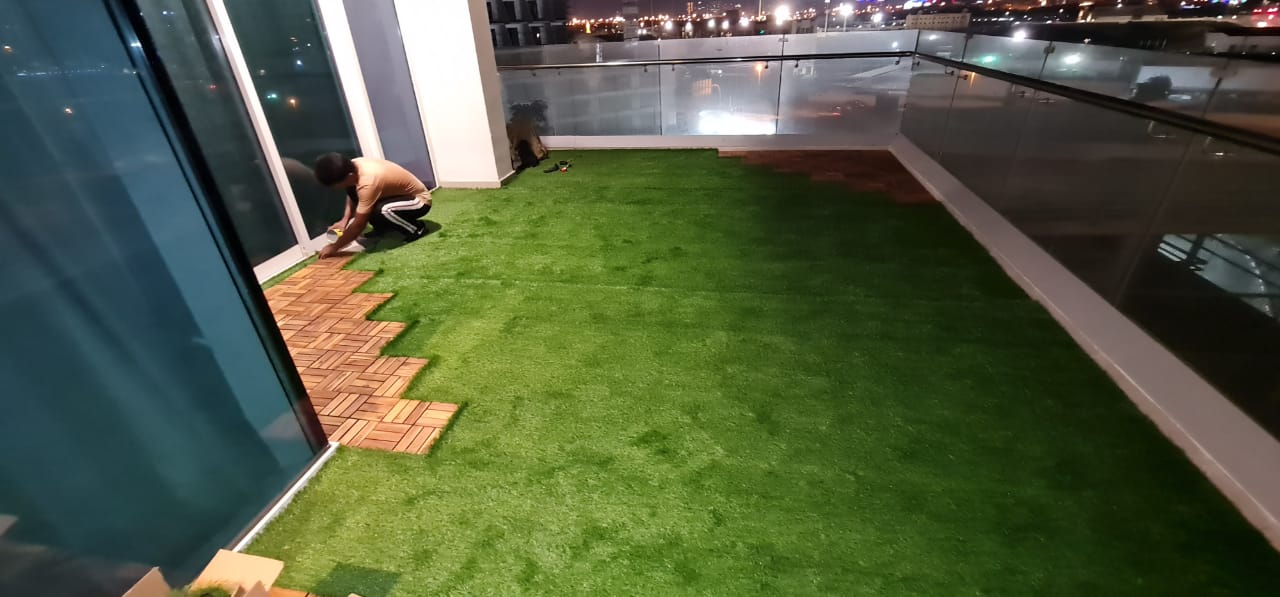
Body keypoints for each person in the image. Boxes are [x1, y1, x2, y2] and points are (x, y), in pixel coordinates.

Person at [312, 153, 431, 258]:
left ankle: (416, 229)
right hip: (396, 197)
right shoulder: (352, 166)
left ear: (349, 176)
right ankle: (383, 228)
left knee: (383, 210)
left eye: (335, 185)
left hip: (419, 201)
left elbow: (359, 225)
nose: (335, 188)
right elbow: (353, 195)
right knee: (365, 203)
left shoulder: (368, 182)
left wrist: (334, 247)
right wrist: (344, 220)